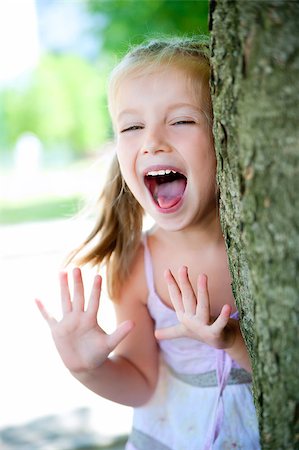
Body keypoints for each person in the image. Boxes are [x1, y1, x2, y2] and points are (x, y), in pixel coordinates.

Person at [36, 37, 260, 450]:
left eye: (182, 121)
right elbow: (141, 385)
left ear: (224, 135)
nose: (152, 141)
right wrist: (86, 369)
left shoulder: (263, 252)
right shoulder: (138, 264)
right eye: (132, 126)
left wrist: (231, 342)